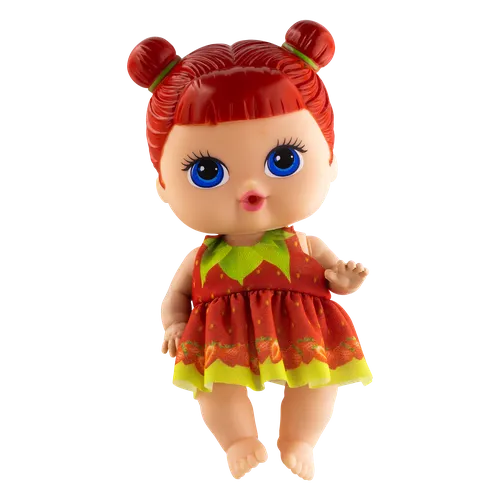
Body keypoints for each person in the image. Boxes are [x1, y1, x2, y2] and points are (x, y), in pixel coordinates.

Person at [126, 18, 376, 483]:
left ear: (329, 160)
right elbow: (177, 295)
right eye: (206, 171)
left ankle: (300, 438)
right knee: (215, 386)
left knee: (317, 378)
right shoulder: (202, 256)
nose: (250, 190)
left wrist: (342, 278)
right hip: (220, 335)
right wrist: (175, 323)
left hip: (302, 327)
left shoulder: (303, 241)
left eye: (283, 160)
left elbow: (332, 274)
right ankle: (238, 439)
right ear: (162, 185)